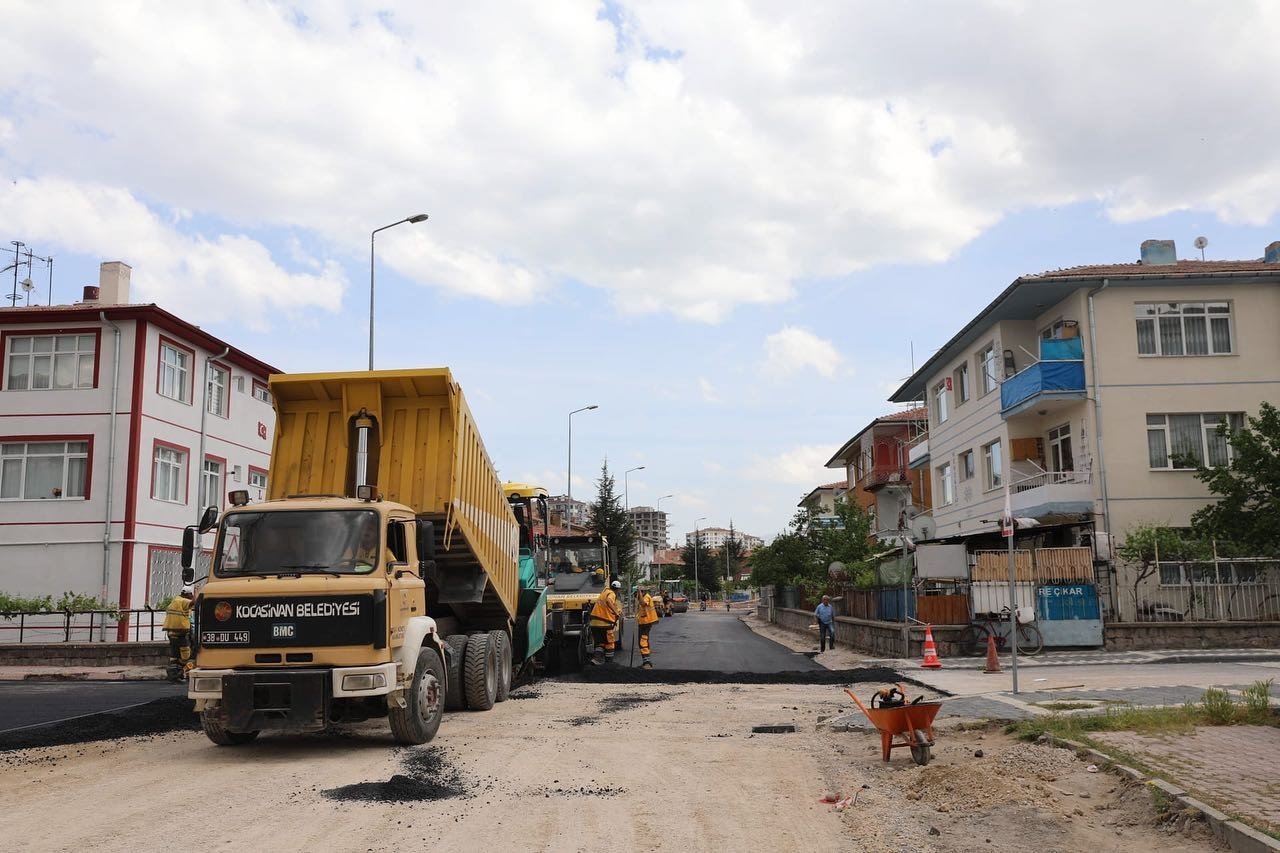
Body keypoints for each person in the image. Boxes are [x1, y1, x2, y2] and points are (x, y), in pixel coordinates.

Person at [163, 585, 195, 682]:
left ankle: (174, 675)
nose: (191, 596)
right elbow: (195, 602)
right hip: (180, 633)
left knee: (175, 655)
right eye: (191, 595)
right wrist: (197, 593)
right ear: (186, 594)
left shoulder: (175, 601)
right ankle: (182, 674)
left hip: (172, 633)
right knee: (185, 655)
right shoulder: (183, 601)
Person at [588, 580, 623, 664]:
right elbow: (609, 601)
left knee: (600, 643)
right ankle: (609, 664)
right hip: (605, 623)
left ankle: (596, 659)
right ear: (617, 589)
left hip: (594, 623)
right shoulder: (611, 594)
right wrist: (616, 612)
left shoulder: (604, 592)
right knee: (610, 643)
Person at [633, 584, 659, 668]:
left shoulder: (646, 597)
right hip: (643, 622)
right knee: (643, 641)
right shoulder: (643, 597)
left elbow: (643, 603)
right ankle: (646, 662)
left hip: (647, 622)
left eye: (637, 593)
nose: (636, 595)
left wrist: (639, 593)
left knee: (643, 641)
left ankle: (647, 662)